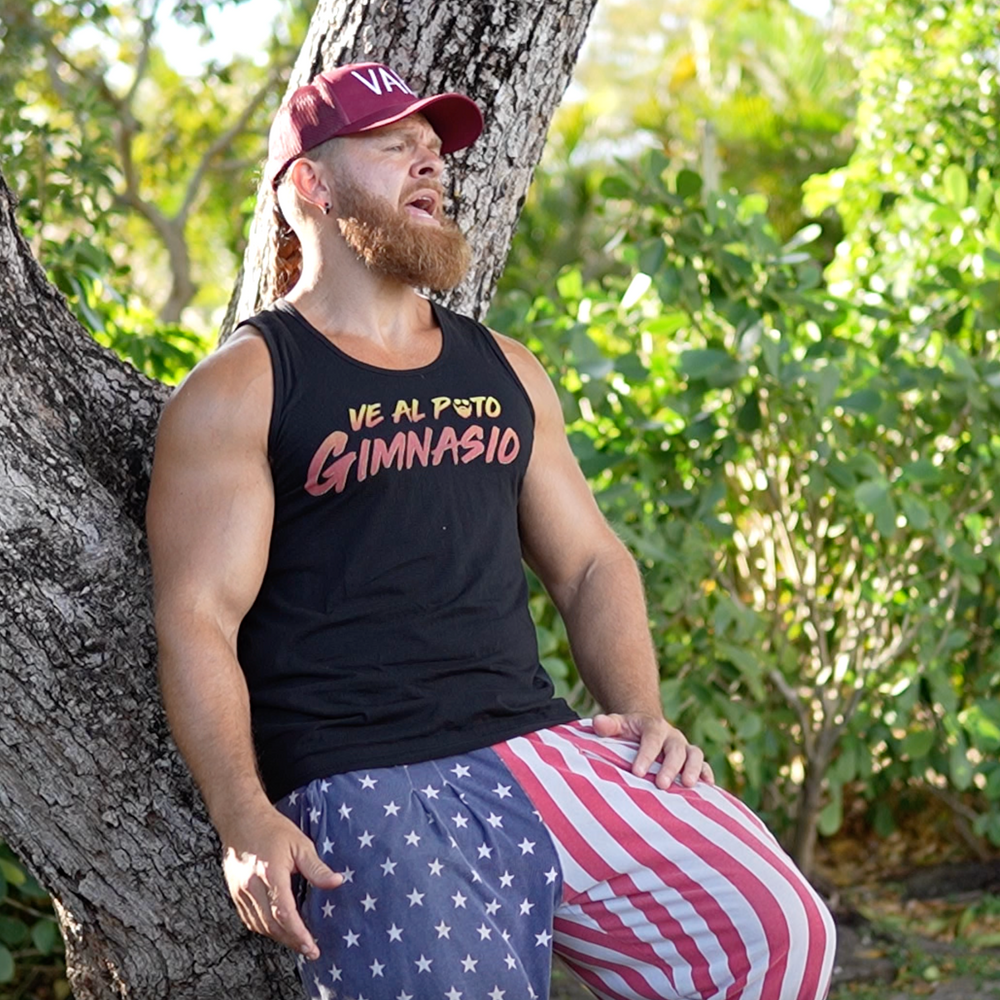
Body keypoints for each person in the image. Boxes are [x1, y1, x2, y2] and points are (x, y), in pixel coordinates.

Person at [146, 61, 836, 1000]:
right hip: (366, 779)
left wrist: (641, 710)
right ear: (310, 183)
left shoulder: (504, 366)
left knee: (774, 928)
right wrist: (242, 816)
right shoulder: (245, 386)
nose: (430, 165)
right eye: (396, 147)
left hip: (542, 747)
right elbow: (198, 618)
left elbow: (589, 562)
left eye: (434, 151)